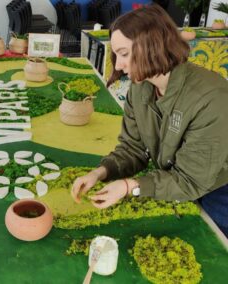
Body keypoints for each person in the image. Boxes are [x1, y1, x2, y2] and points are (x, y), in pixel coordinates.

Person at [71, 5, 228, 237]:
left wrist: (129, 187)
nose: (118, 66)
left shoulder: (211, 99)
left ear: (152, 47)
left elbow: (190, 181)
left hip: (219, 192)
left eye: (124, 54)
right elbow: (132, 148)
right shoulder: (140, 88)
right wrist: (100, 173)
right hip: (175, 179)